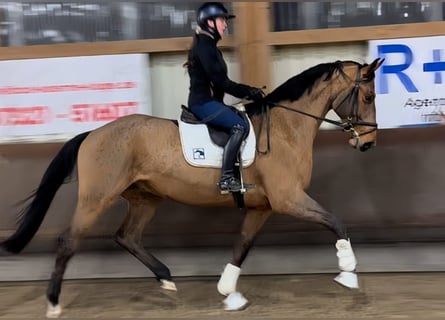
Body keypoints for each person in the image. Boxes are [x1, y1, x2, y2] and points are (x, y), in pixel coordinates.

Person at [184, 2, 264, 193]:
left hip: (211, 102)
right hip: (203, 104)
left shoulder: (209, 46)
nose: (226, 25)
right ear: (209, 22)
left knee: (241, 118)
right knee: (240, 126)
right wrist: (249, 91)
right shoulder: (205, 47)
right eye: (222, 21)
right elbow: (221, 82)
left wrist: (249, 92)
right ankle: (227, 178)